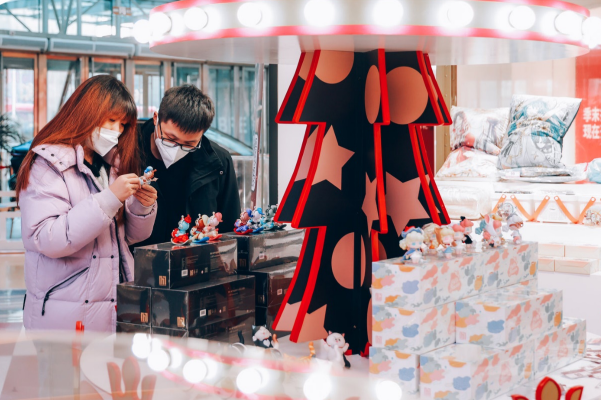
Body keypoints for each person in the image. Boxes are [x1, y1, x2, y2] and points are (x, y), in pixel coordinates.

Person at [17, 75, 157, 332]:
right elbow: (47, 238)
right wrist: (110, 199)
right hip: (65, 313)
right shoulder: (48, 164)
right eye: (111, 120)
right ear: (87, 112)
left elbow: (127, 238)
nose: (117, 130)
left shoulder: (111, 164)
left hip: (113, 306)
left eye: (123, 124)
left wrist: (140, 207)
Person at [134, 84, 240, 247]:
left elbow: (229, 229)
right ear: (156, 118)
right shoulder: (127, 151)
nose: (177, 149)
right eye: (170, 138)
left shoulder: (218, 162)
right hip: (137, 258)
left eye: (189, 144)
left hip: (195, 258)